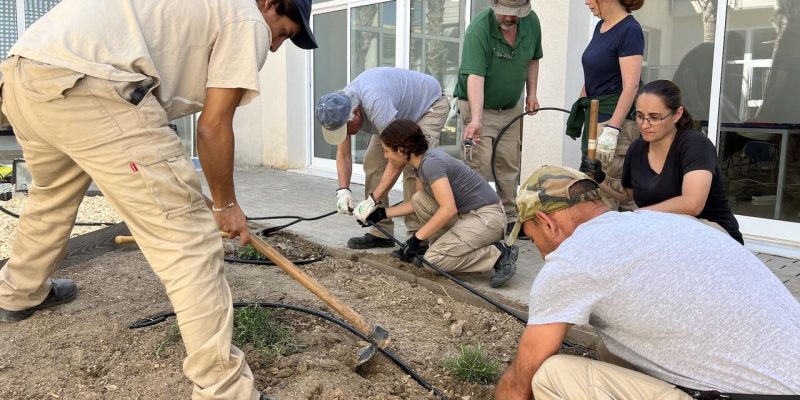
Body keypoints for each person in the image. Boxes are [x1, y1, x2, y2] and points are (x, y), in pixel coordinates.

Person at [0, 1, 317, 399]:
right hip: (92, 84)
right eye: (283, 33)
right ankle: (224, 388)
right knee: (190, 241)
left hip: (23, 76)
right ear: (270, 3)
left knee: (51, 197)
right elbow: (215, 125)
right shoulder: (246, 16)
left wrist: (189, 189)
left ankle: (17, 292)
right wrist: (224, 205)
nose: (274, 48)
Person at [495, 165, 800, 399]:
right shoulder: (658, 222)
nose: (539, 250)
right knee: (612, 349)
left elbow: (522, 379)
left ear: (548, 223)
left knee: (551, 376)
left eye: (533, 239)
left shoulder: (573, 261)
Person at [355, 119, 518, 288]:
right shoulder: (422, 162)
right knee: (419, 199)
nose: (385, 156)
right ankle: (456, 248)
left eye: (387, 151)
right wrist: (381, 213)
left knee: (433, 261)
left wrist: (416, 239)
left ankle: (497, 253)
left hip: (487, 218)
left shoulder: (431, 164)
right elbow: (416, 203)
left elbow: (448, 209)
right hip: (469, 217)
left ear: (402, 150)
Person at [581, 80, 744, 244]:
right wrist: (600, 178)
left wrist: (638, 216)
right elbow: (628, 194)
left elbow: (693, 204)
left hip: (713, 234)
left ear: (677, 114)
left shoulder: (695, 144)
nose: (645, 125)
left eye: (654, 117)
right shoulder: (636, 149)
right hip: (665, 230)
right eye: (639, 116)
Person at [315, 67, 449, 250]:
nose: (346, 134)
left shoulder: (376, 103)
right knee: (373, 163)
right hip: (395, 115)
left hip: (428, 107)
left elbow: (398, 159)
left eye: (346, 129)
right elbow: (343, 154)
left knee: (414, 169)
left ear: (356, 113)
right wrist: (343, 191)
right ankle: (380, 232)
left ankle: (417, 239)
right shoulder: (340, 109)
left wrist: (372, 199)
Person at [453, 0, 542, 236]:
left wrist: (531, 94)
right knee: (479, 165)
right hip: (479, 106)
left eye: (516, 14)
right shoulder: (479, 28)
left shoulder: (532, 22)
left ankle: (510, 217)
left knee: (509, 163)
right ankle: (477, 218)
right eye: (505, 13)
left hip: (510, 107)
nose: (510, 18)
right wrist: (476, 119)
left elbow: (533, 58)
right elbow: (475, 76)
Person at [565, 0, 644, 211]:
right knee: (592, 192)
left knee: (606, 197)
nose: (586, 2)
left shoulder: (629, 30)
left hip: (612, 121)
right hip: (595, 118)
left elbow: (631, 86)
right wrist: (580, 108)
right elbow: (593, 75)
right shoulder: (601, 27)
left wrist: (613, 130)